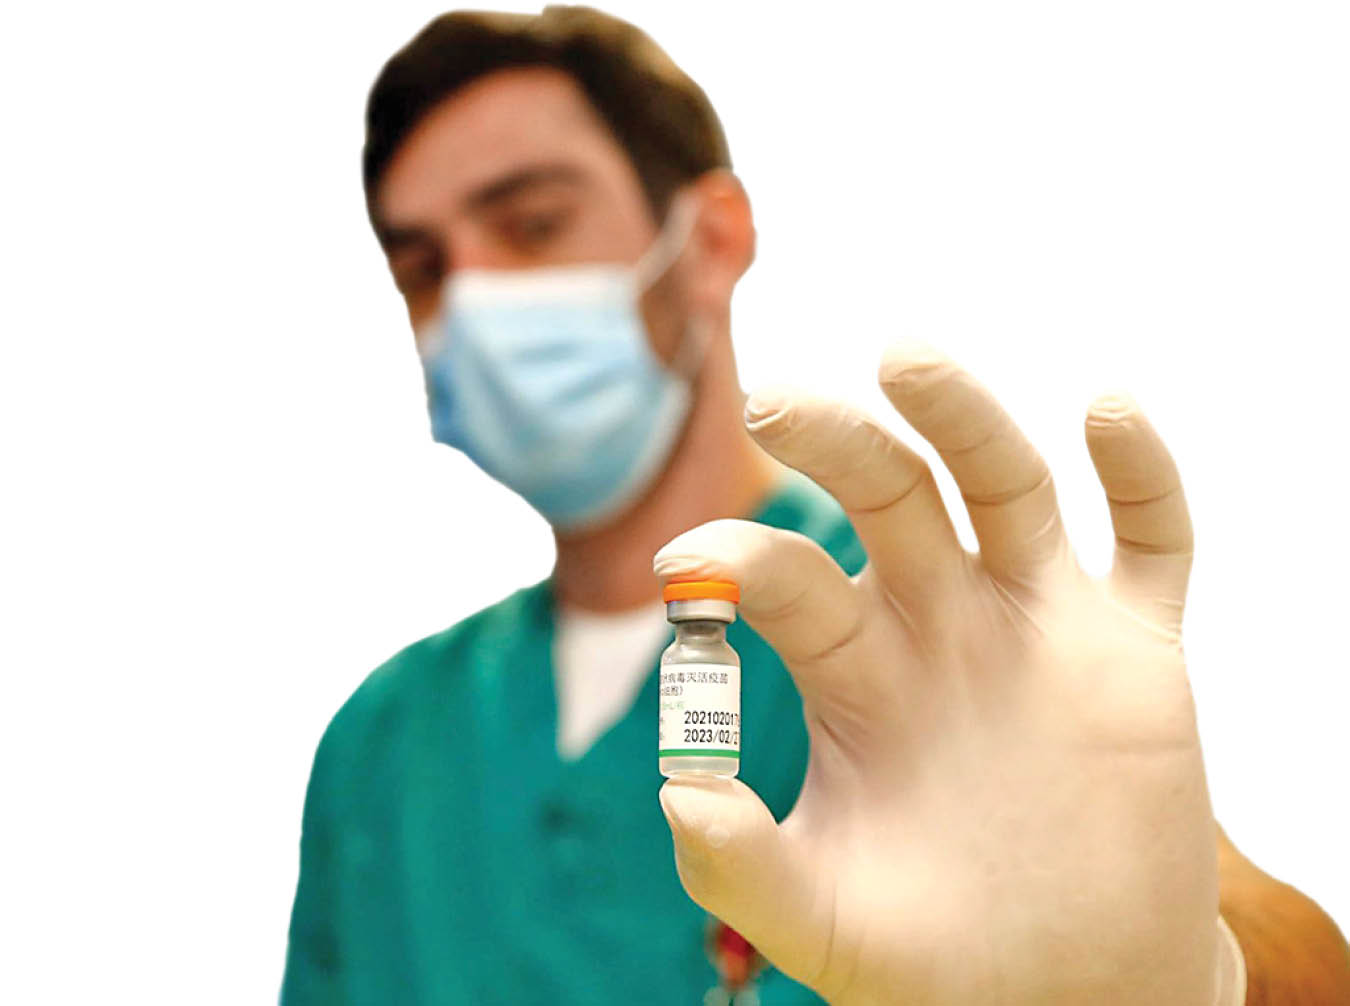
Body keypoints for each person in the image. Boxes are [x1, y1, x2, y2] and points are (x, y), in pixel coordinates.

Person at [282, 7, 1350, 1004]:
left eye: (532, 224)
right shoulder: (382, 745)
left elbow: (1271, 933)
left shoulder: (936, 626)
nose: (472, 301)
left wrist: (1193, 975)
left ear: (710, 241)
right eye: (423, 268)